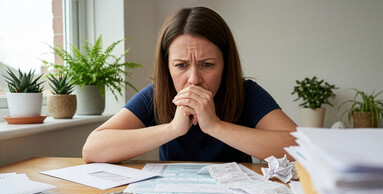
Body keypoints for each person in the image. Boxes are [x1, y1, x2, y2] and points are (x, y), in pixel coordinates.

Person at [82, 6, 297, 164]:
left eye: (207, 64)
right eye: (181, 65)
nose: (193, 78)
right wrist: (173, 129)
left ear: (225, 64)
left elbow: (301, 149)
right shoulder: (157, 94)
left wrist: (215, 126)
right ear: (167, 67)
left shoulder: (247, 93)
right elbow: (92, 149)